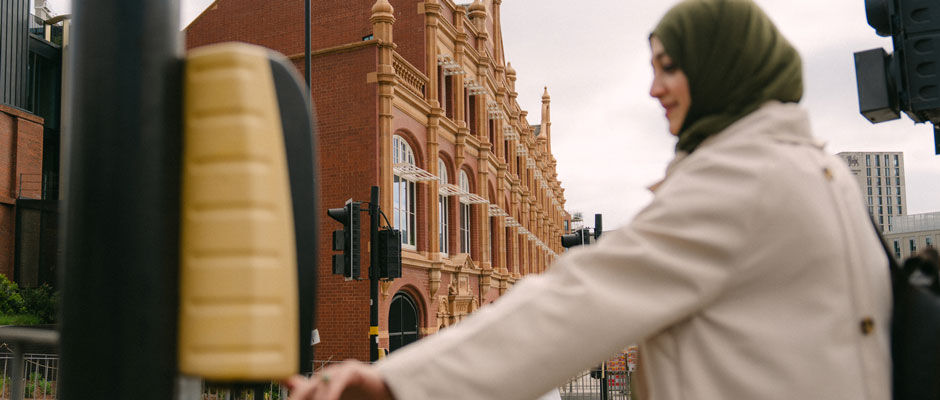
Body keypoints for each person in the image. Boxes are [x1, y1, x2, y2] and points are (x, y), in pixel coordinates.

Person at [286, 1, 892, 399]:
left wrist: (394, 384)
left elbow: (576, 302)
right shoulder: (812, 170)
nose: (654, 88)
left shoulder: (745, 181)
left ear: (724, 69)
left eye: (671, 67)